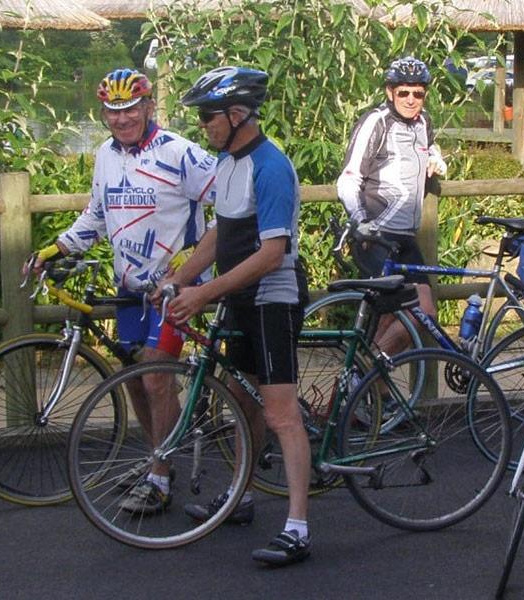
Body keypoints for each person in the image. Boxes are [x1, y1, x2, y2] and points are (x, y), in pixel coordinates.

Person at [24, 68, 218, 516]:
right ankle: (157, 459)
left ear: (150, 107)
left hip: (174, 289)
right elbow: (95, 216)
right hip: (130, 287)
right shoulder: (105, 156)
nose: (121, 118)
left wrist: (187, 270)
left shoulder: (180, 153)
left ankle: (160, 477)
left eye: (130, 109)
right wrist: (55, 248)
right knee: (132, 376)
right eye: (113, 111)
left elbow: (229, 202)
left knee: (155, 375)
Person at [157, 66, 314, 567]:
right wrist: (183, 277)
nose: (204, 125)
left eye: (209, 116)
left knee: (280, 414)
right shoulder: (226, 164)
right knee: (244, 406)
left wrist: (203, 296)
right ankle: (241, 497)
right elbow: (220, 238)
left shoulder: (270, 167)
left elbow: (272, 253)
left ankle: (297, 525)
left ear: (238, 113)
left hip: (272, 298)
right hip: (239, 296)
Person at [337, 56, 446, 355]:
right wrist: (360, 220)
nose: (411, 99)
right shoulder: (376, 122)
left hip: (405, 238)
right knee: (416, 314)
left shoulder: (424, 122)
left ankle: (371, 393)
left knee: (395, 322)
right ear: (390, 92)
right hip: (377, 236)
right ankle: (366, 376)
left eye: (418, 93)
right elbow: (348, 179)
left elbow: (427, 146)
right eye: (404, 93)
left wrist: (437, 157)